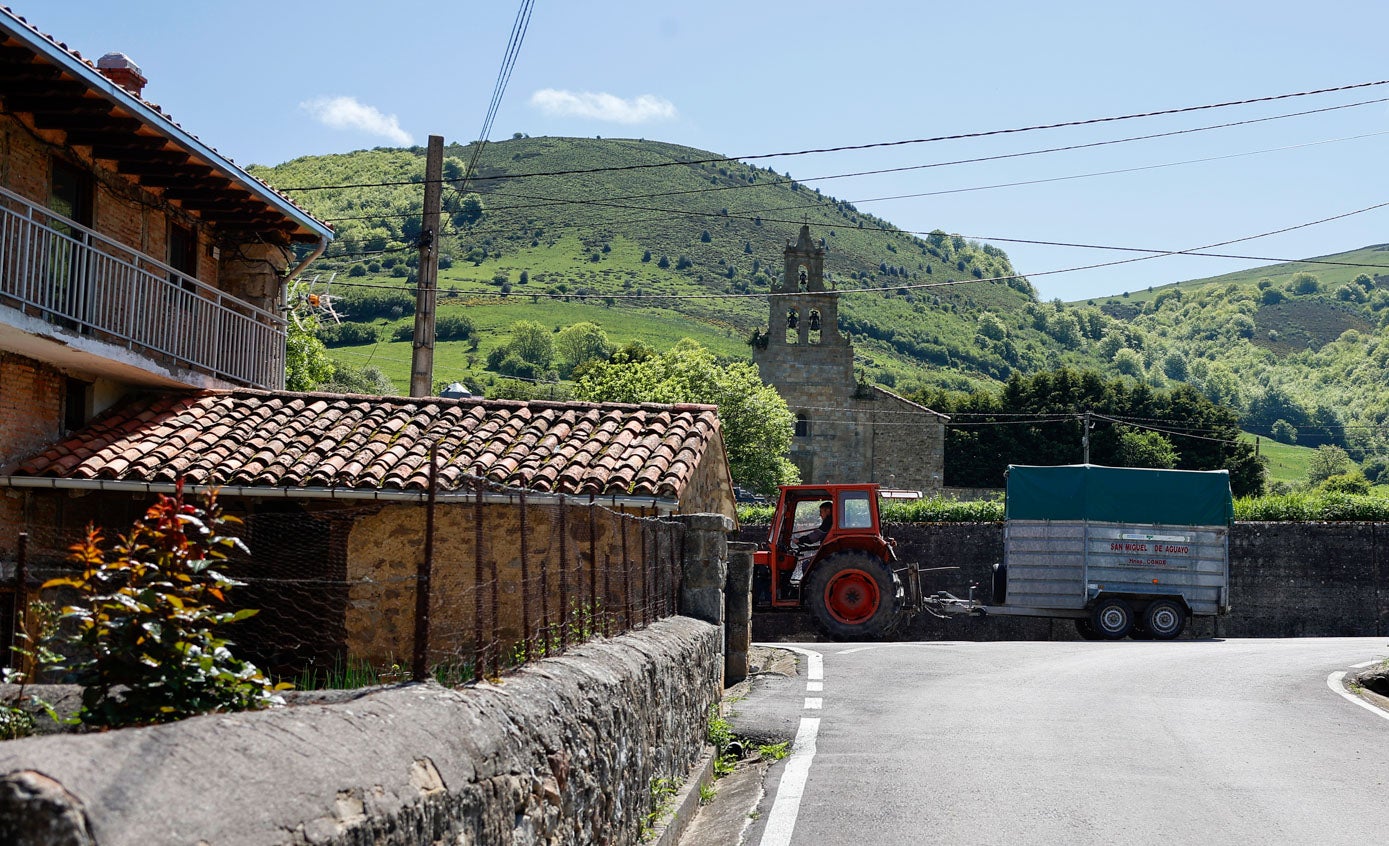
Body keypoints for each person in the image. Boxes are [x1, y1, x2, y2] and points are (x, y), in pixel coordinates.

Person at [790, 502, 833, 586]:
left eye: (821, 512)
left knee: (806, 565)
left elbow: (814, 537)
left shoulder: (828, 522)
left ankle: (809, 587)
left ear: (828, 511)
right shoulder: (831, 522)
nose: (820, 515)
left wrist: (799, 540)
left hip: (828, 554)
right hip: (829, 553)